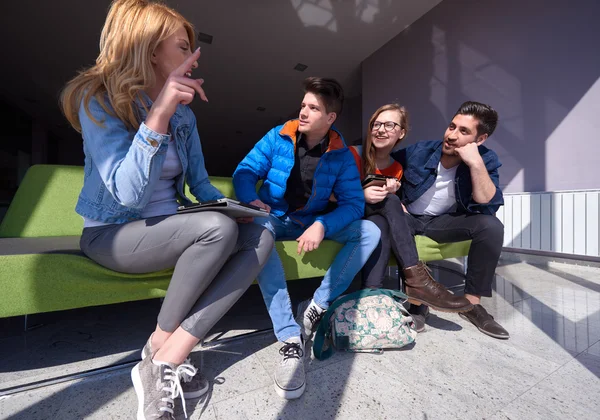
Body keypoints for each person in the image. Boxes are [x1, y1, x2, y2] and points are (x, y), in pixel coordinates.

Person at [60, 1, 273, 418]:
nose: (194, 59)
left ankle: (167, 355)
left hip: (168, 225)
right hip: (112, 234)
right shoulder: (98, 100)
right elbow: (127, 195)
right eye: (183, 47)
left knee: (259, 232)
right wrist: (158, 113)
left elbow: (200, 185)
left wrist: (236, 207)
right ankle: (159, 351)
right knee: (215, 230)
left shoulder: (186, 118)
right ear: (150, 49)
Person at [233, 77, 380, 399]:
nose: (303, 112)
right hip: (276, 217)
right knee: (259, 232)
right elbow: (245, 171)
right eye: (303, 104)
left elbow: (355, 204)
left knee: (369, 231)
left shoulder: (340, 155)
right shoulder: (278, 136)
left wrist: (323, 225)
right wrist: (251, 199)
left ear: (330, 118)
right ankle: (288, 336)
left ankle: (316, 306)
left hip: (313, 220)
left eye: (313, 108)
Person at [374, 101, 508, 339]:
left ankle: (470, 305)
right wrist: (393, 192)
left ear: (480, 139)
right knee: (391, 210)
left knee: (491, 227)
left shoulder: (486, 159)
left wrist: (475, 162)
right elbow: (382, 163)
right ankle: (417, 301)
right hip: (409, 217)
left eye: (464, 131)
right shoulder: (420, 151)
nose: (452, 135)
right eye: (452, 126)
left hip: (443, 222)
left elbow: (488, 204)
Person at [350, 104, 473, 332]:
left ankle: (371, 295)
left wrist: (393, 197)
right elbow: (329, 194)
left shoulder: (397, 167)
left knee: (380, 223)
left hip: (372, 220)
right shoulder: (353, 154)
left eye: (389, 125)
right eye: (376, 124)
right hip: (345, 216)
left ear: (401, 133)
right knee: (390, 203)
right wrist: (362, 194)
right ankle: (418, 282)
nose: (381, 129)